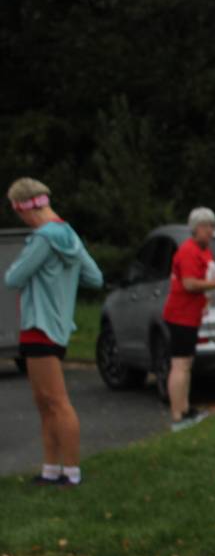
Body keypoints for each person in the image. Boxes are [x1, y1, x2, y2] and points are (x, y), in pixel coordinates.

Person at [5, 178, 103, 486]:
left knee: (56, 402)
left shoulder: (43, 238)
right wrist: (62, 282)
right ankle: (51, 469)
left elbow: (13, 278)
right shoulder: (69, 235)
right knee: (45, 403)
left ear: (23, 208)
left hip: (39, 326)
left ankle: (71, 472)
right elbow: (94, 277)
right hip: (58, 327)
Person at [162, 206, 215, 431]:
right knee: (180, 364)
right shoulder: (188, 251)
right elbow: (190, 283)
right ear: (196, 228)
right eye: (207, 227)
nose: (211, 231)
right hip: (180, 316)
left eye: (213, 226)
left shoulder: (204, 251)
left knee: (187, 364)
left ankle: (186, 409)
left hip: (192, 315)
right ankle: (178, 415)